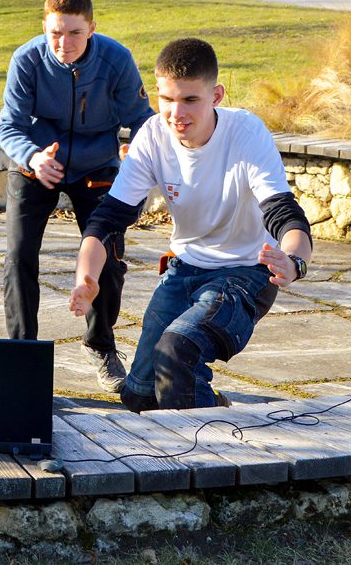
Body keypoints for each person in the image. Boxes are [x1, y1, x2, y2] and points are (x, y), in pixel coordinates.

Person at [70, 38, 313, 411]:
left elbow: (284, 213)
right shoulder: (152, 136)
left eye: (190, 100)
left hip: (246, 271)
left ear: (216, 95)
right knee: (139, 396)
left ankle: (206, 445)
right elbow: (108, 219)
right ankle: (213, 405)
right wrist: (86, 278)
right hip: (185, 268)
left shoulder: (246, 133)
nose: (175, 113)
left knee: (177, 352)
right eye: (167, 99)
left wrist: (294, 261)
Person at [0, 0, 153, 393]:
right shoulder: (26, 59)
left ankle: (100, 345)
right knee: (18, 258)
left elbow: (143, 119)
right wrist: (33, 157)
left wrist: (137, 150)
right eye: (55, 33)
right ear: (44, 27)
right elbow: (8, 126)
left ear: (92, 29)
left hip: (96, 166)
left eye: (74, 33)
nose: (63, 43)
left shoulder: (116, 60)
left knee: (110, 261)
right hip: (36, 164)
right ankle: (21, 355)